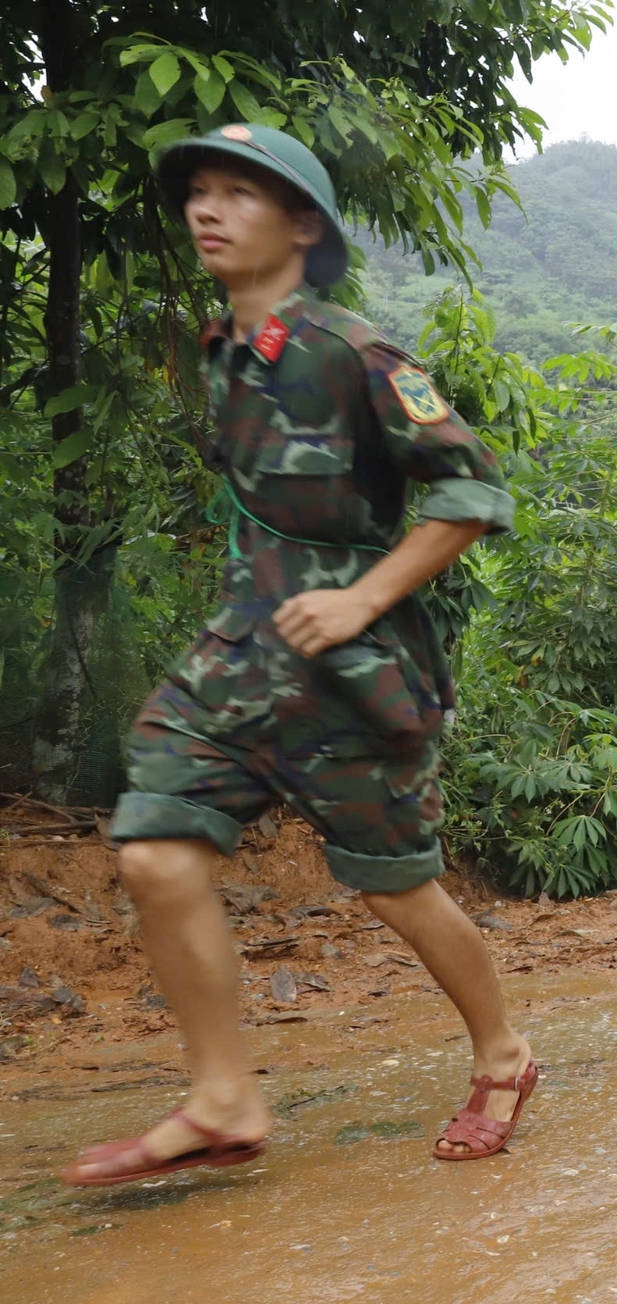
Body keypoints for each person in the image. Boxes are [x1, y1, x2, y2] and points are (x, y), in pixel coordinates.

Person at [63, 126, 532, 1188]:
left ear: (303, 224)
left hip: (352, 670)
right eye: (198, 192)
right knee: (153, 844)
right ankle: (223, 1093)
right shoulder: (220, 349)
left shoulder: (354, 352)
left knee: (398, 886)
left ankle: (503, 1055)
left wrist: (364, 596)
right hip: (244, 650)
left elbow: (473, 490)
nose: (206, 210)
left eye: (239, 193)